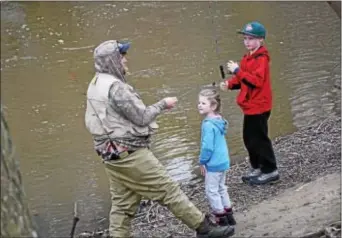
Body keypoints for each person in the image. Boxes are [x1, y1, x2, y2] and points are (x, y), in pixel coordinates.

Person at [84, 40, 235, 238]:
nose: (125, 60)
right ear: (112, 60)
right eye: (121, 56)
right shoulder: (116, 87)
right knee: (168, 190)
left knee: (122, 205)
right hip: (130, 154)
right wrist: (164, 103)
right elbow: (142, 117)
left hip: (110, 156)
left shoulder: (94, 84)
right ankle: (204, 228)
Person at [219, 21, 280, 185]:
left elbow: (256, 82)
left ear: (260, 40)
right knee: (249, 138)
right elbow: (243, 80)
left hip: (259, 106)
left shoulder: (261, 59)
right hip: (250, 106)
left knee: (259, 139)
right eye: (245, 38)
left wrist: (237, 70)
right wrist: (230, 84)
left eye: (251, 39)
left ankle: (270, 170)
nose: (247, 42)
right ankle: (258, 167)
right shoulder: (247, 58)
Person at [198, 88, 236, 226]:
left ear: (213, 106)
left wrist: (202, 161)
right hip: (223, 161)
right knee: (221, 187)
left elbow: (207, 147)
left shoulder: (208, 125)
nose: (199, 105)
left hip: (213, 164)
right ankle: (229, 214)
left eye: (203, 103)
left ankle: (221, 218)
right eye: (199, 102)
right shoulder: (219, 120)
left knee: (211, 191)